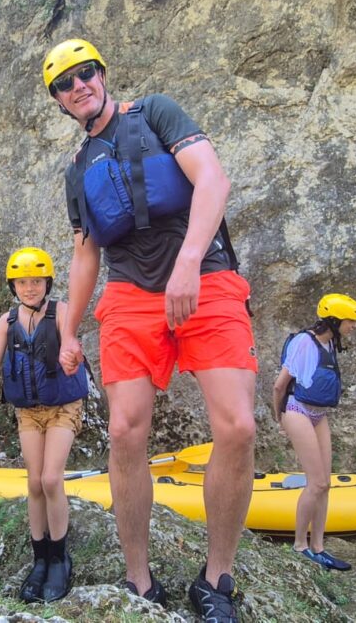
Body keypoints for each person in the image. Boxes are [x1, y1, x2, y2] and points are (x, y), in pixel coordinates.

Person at [42, 38, 258, 623]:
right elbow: (85, 256)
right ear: (59, 102)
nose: (78, 85)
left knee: (237, 426)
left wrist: (189, 262)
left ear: (101, 74)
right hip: (131, 292)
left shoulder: (157, 113)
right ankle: (138, 577)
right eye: (65, 83)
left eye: (85, 73)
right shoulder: (77, 170)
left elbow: (212, 180)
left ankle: (216, 579)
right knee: (124, 432)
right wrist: (68, 332)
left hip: (204, 276)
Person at [0, 247, 90, 603]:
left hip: (64, 406)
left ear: (47, 283)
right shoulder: (6, 322)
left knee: (51, 479)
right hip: (28, 412)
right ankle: (41, 559)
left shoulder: (60, 311)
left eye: (36, 281)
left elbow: (70, 343)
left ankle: (61, 557)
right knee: (34, 482)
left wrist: (71, 354)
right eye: (22, 282)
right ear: (13, 285)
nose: (30, 288)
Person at [271, 293, 356, 572]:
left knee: (326, 482)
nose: (354, 327)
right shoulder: (304, 342)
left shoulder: (331, 342)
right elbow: (279, 385)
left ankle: (319, 547)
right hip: (296, 410)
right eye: (351, 321)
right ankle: (300, 545)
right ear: (334, 321)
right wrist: (280, 418)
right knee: (316, 482)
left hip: (318, 414)